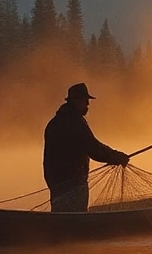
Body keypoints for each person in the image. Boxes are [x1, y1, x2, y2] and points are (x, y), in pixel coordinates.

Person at [43, 83, 129, 212]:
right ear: (75, 101)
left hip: (56, 182)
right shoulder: (74, 122)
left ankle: (58, 230)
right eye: (85, 101)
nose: (88, 104)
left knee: (62, 215)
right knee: (75, 218)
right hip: (73, 182)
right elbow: (93, 148)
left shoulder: (55, 122)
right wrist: (116, 156)